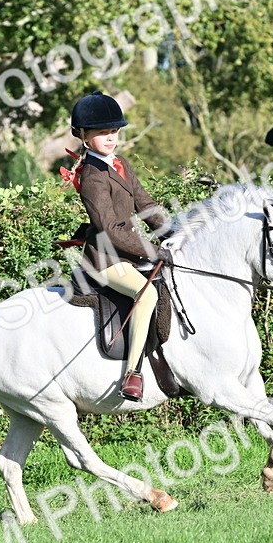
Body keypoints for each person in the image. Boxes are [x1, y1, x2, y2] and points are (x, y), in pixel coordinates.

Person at [68, 91, 169, 402]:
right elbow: (110, 229)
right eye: (103, 133)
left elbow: (145, 203)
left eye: (114, 131)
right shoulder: (92, 177)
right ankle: (132, 373)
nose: (111, 138)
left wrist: (170, 230)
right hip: (106, 259)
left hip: (127, 251)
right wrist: (151, 250)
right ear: (84, 136)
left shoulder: (119, 163)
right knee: (147, 293)